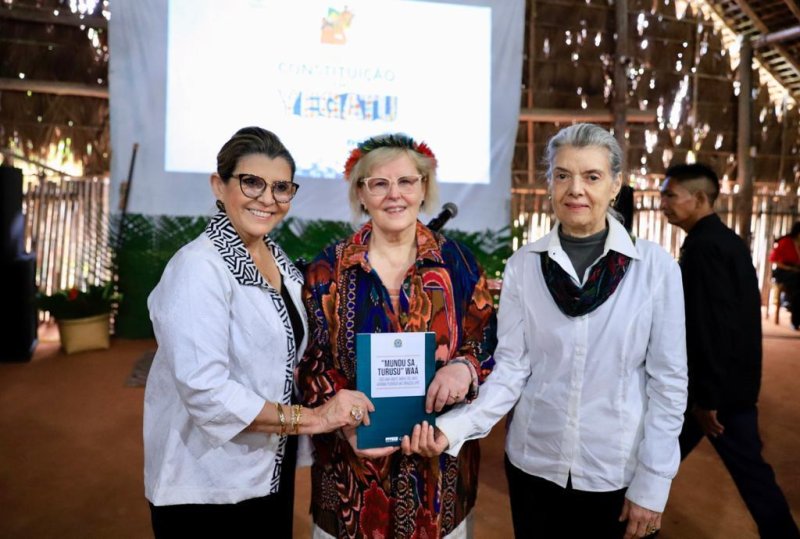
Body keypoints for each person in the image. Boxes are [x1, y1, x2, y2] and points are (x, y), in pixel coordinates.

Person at [412, 123, 688, 539]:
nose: (576, 188)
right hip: (534, 465)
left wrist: (653, 483)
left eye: (592, 176)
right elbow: (511, 370)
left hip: (615, 470)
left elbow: (668, 383)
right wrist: (453, 428)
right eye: (563, 175)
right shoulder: (525, 265)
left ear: (615, 186)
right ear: (550, 184)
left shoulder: (653, 268)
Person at [144, 127, 376, 538]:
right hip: (207, 484)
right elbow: (206, 391)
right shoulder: (199, 267)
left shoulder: (277, 260)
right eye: (251, 182)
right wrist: (318, 417)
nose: (267, 198)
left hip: (267, 468)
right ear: (220, 185)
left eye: (281, 187)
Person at [296, 133, 497, 538]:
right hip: (349, 480)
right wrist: (344, 422)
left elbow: (486, 337)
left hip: (441, 480)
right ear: (361, 193)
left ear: (424, 188)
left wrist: (465, 367)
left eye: (406, 181)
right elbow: (312, 359)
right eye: (379, 183)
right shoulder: (327, 269)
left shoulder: (456, 262)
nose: (395, 195)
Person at [659, 163, 800, 539]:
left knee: (657, 461)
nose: (663, 204)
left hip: (715, 396)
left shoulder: (706, 248)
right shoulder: (719, 241)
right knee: (658, 459)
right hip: (725, 388)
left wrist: (707, 398)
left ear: (700, 198)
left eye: (670, 195)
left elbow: (712, 327)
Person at [769, 221, 800, 329]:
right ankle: (794, 317)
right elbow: (773, 259)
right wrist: (789, 268)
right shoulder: (786, 241)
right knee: (797, 286)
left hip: (797, 272)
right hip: (784, 271)